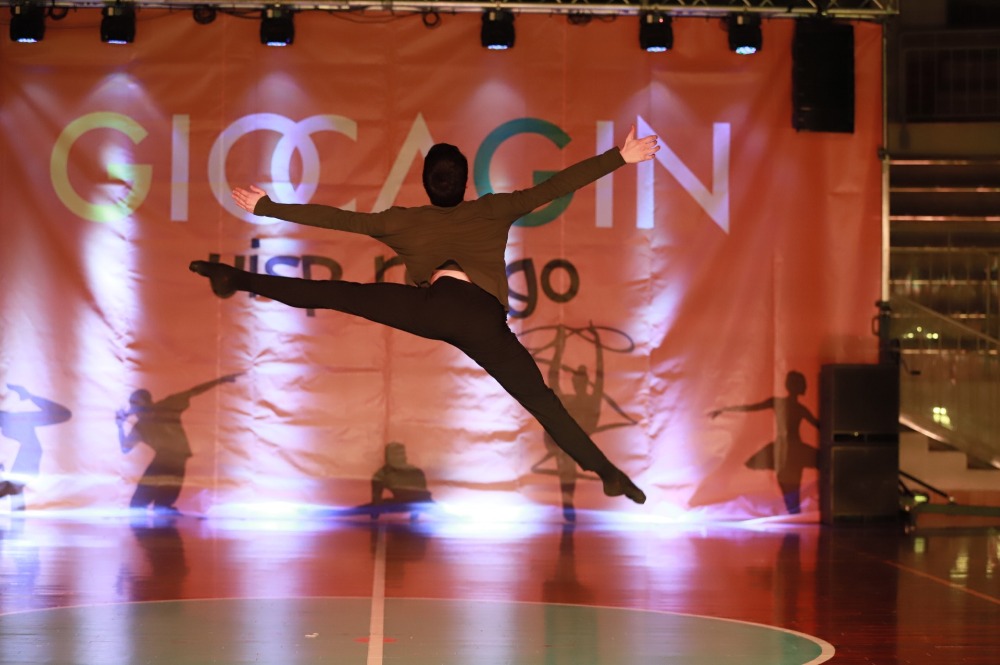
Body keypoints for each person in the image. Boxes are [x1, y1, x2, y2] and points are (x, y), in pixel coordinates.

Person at [190, 126, 659, 504]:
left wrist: (268, 207)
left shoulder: (401, 221)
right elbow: (556, 186)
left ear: (426, 185)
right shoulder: (494, 210)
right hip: (482, 320)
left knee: (335, 293)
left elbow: (340, 219)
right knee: (543, 403)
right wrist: (620, 157)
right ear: (466, 183)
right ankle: (607, 472)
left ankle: (237, 279)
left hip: (431, 308)